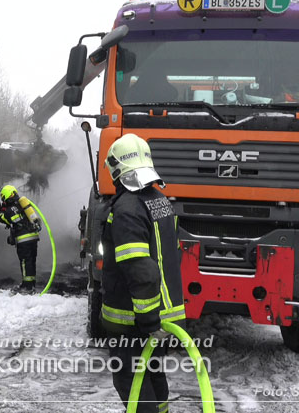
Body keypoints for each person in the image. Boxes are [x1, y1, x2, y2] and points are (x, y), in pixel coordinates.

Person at [100, 133, 186, 413]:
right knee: (153, 373)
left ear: (117, 167)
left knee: (131, 379)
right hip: (163, 314)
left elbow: (141, 268)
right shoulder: (159, 200)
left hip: (134, 320)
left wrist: (148, 321)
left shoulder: (127, 208)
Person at [0, 185, 41, 291]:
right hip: (33, 238)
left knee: (25, 262)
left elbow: (4, 219)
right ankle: (31, 283)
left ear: (6, 195)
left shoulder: (11, 208)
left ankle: (27, 286)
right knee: (31, 261)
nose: (2, 199)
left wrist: (2, 212)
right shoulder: (21, 204)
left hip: (24, 239)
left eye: (3, 197)